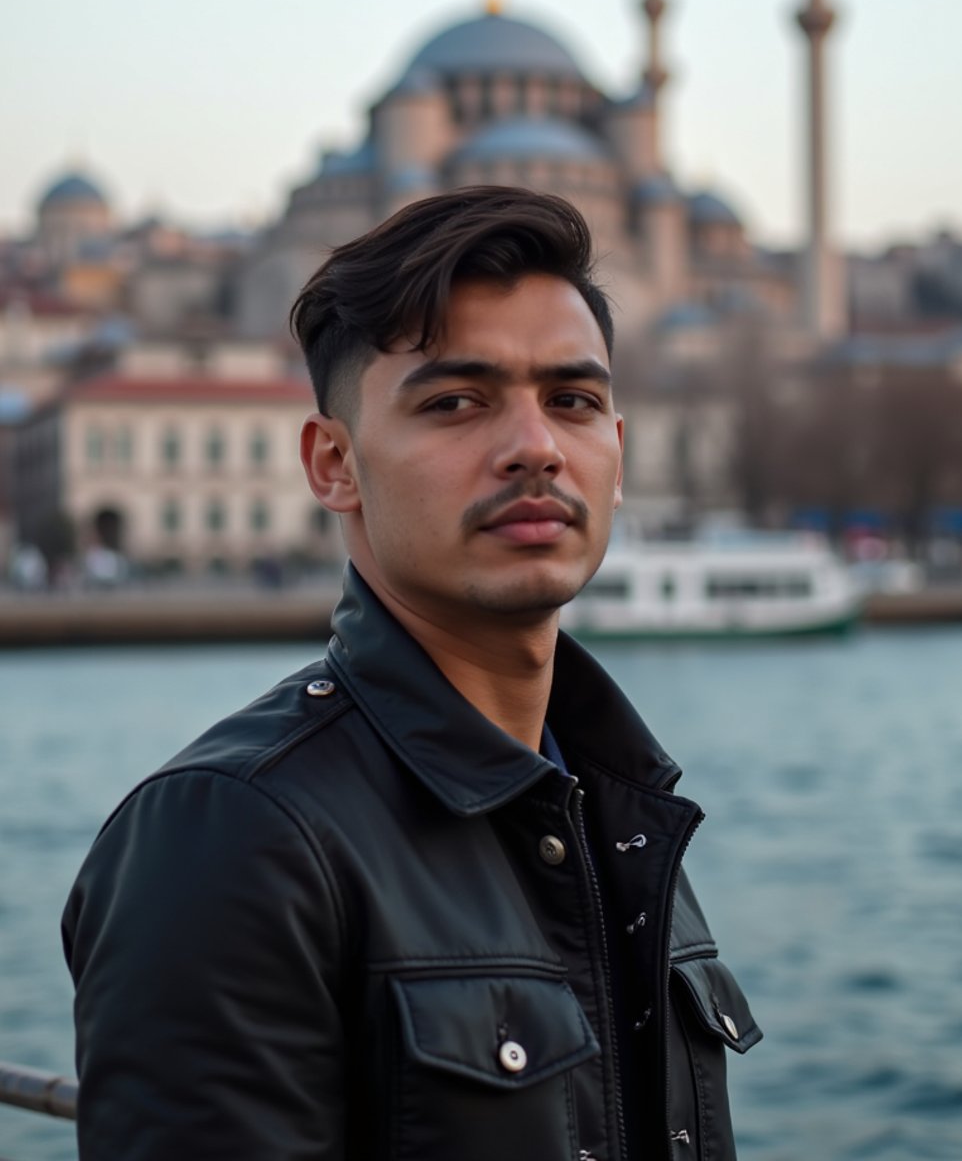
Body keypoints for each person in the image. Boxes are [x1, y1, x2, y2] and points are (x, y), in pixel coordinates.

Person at [63, 186, 760, 1161]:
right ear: (333, 464)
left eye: (573, 401)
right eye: (455, 402)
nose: (534, 448)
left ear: (617, 449)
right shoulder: (233, 837)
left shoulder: (618, 808)